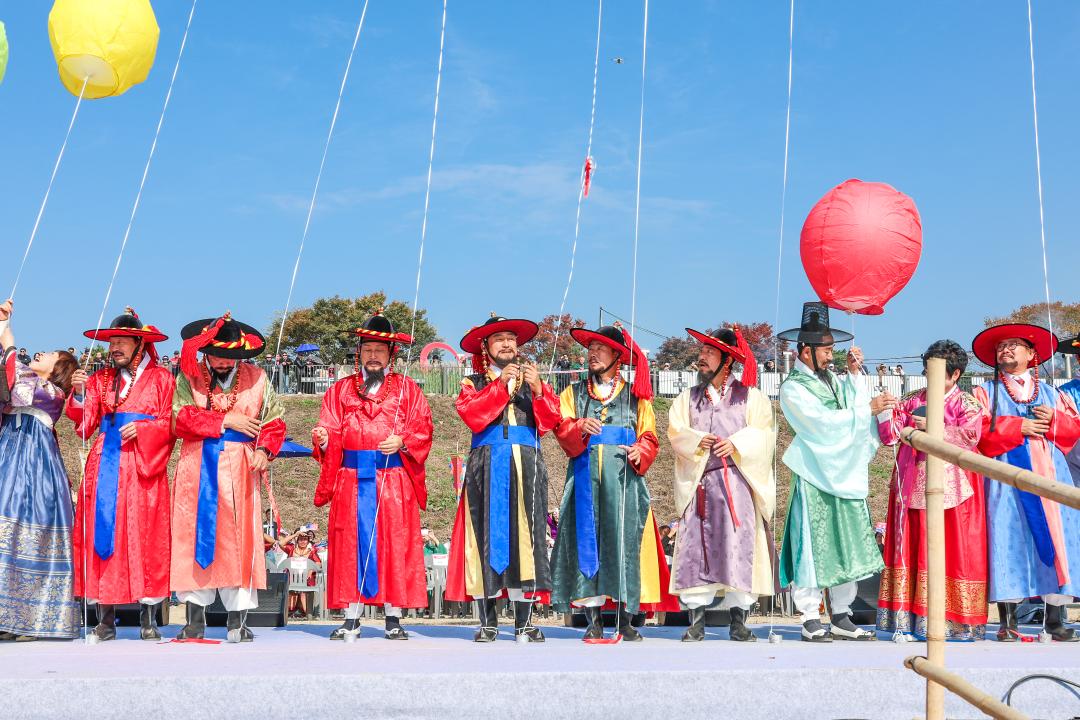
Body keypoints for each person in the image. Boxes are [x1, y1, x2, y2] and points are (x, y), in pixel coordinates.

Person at [550, 323, 676, 641]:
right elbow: (561, 430)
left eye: (601, 348)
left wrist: (640, 450)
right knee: (587, 540)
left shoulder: (636, 397)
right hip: (584, 480)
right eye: (590, 348)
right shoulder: (573, 394)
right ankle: (592, 619)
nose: (592, 353)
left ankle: (625, 619)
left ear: (617, 356)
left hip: (624, 481)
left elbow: (650, 436)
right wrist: (578, 425)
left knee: (624, 543)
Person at [312, 311, 433, 641]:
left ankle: (393, 617)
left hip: (392, 479)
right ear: (359, 354)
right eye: (368, 350)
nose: (374, 356)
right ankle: (351, 615)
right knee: (350, 546)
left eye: (380, 350)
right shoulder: (339, 391)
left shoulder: (409, 391)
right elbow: (331, 427)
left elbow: (424, 428)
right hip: (351, 479)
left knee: (394, 544)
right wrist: (324, 438)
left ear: (391, 355)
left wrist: (404, 440)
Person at [776, 302, 889, 642]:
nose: (831, 357)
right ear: (805, 352)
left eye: (832, 351)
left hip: (845, 472)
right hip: (815, 476)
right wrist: (865, 410)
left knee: (847, 543)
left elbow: (855, 409)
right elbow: (820, 426)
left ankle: (841, 613)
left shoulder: (836, 383)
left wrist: (855, 375)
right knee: (812, 544)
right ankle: (810, 614)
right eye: (826, 352)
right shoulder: (793, 388)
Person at [170, 313, 285, 643]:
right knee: (193, 537)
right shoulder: (189, 377)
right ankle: (194, 620)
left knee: (239, 541)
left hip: (240, 467)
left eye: (229, 357)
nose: (221, 362)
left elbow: (274, 421)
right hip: (197, 466)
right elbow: (178, 417)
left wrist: (265, 450)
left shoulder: (259, 378)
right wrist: (225, 421)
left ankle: (238, 620)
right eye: (216, 355)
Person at [446, 315, 558, 642]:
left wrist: (538, 390)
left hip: (527, 461)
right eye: (499, 339)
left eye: (511, 338)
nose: (508, 344)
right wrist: (500, 385)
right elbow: (473, 415)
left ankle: (524, 620)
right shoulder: (474, 382)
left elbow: (551, 422)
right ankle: (488, 620)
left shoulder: (532, 382)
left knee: (528, 538)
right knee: (485, 538)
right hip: (487, 462)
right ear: (486, 347)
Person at [67, 307, 175, 641]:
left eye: (121, 341)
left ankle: (149, 616)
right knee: (105, 531)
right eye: (111, 341)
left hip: (144, 465)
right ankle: (105, 616)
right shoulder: (100, 379)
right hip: (106, 461)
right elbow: (84, 424)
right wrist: (80, 394)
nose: (113, 348)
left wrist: (145, 429)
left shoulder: (162, 378)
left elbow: (171, 422)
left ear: (139, 344)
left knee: (146, 533)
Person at [970, 324, 1080, 642]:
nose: (1006, 349)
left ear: (1031, 354)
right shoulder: (984, 392)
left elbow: (1073, 435)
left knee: (1058, 541)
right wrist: (1019, 426)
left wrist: (1055, 421)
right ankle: (1008, 621)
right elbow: (977, 432)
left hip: (1050, 476)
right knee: (1007, 538)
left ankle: (1055, 620)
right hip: (1005, 479)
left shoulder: (1052, 394)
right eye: (1002, 346)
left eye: (1014, 345)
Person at [667, 326, 776, 642]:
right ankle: (697, 620)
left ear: (727, 360)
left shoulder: (750, 397)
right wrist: (700, 439)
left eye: (709, 352)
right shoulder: (688, 399)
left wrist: (738, 443)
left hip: (737, 485)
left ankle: (738, 620)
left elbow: (765, 434)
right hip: (701, 483)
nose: (701, 357)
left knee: (738, 548)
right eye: (702, 352)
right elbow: (677, 432)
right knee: (696, 551)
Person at [876, 340, 988, 640]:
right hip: (912, 481)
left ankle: (955, 621)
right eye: (927, 372)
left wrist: (936, 428)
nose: (929, 378)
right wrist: (885, 412)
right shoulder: (911, 400)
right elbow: (889, 437)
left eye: (936, 373)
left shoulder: (968, 404)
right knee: (912, 549)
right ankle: (908, 620)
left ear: (955, 375)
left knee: (953, 550)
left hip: (955, 489)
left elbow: (971, 436)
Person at [0, 300, 80, 641]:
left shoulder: (53, 393)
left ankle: (32, 619)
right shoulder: (34, 381)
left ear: (58, 368)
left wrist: (8, 339)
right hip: (9, 452)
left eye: (49, 354)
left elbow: (16, 387)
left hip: (35, 466)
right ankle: (7, 618)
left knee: (29, 533)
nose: (42, 353)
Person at [284, 530, 322, 619]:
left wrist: (311, 569)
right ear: (297, 540)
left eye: (305, 539)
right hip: (292, 578)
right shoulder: (291, 549)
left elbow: (318, 563)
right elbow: (281, 543)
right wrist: (295, 535)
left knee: (308, 588)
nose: (303, 541)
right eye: (300, 539)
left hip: (306, 579)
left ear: (308, 541)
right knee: (287, 587)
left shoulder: (312, 551)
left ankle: (308, 613)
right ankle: (287, 612)